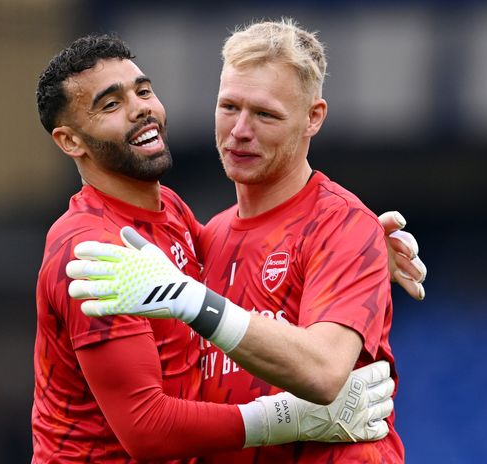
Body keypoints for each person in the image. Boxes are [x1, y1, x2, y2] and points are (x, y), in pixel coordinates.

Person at [68, 19, 413, 463]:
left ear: (314, 118)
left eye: (265, 114)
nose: (240, 131)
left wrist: (192, 300)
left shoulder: (341, 224)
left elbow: (324, 372)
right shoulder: (206, 239)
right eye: (229, 107)